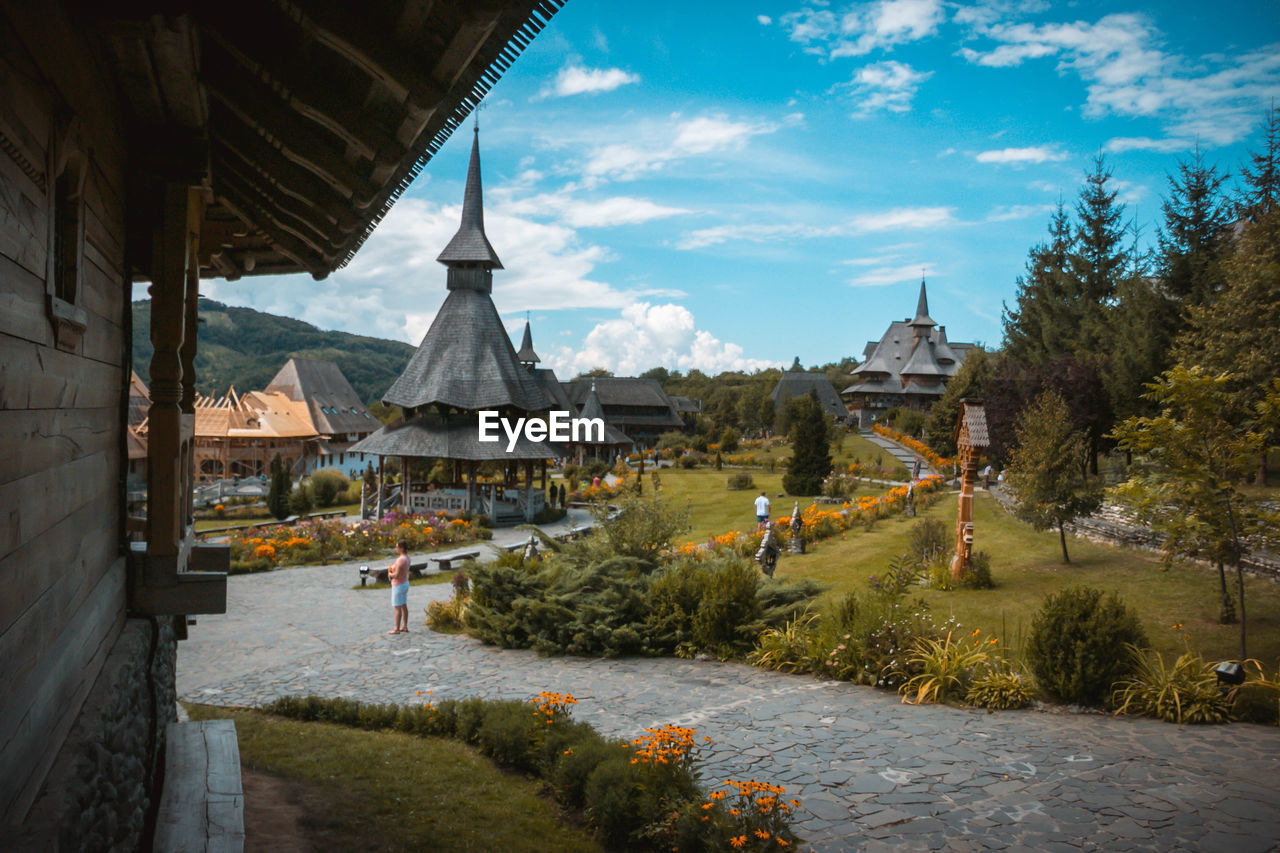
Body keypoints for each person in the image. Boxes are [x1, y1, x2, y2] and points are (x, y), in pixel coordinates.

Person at [387, 539, 410, 635]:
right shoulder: (407, 558)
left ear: (401, 548)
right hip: (404, 582)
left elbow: (396, 575)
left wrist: (390, 574)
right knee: (403, 605)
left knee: (397, 607)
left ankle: (396, 628)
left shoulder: (401, 560)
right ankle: (404, 626)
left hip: (398, 584)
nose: (396, 548)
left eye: (397, 547)